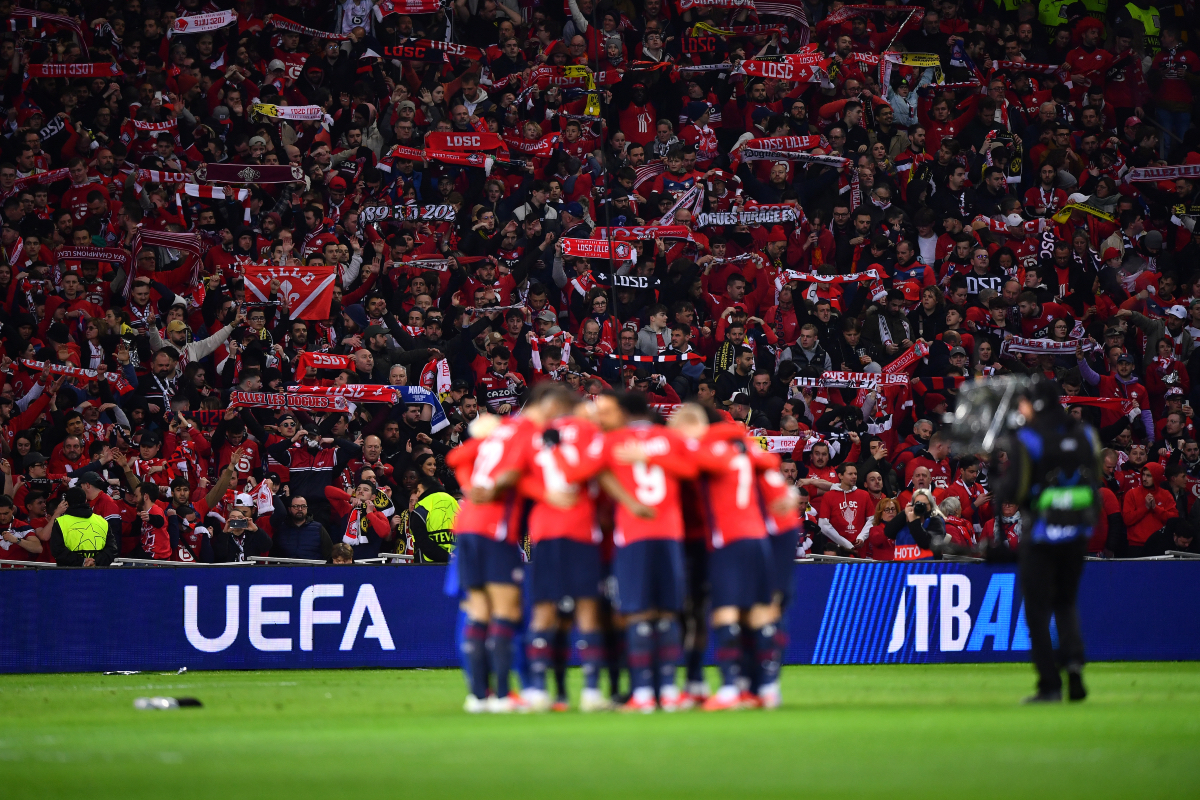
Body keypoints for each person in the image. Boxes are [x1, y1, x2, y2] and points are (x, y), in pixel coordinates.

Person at [992, 377, 1101, 703]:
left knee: (1037, 610)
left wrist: (1000, 485)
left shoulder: (1029, 438)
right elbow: (1096, 478)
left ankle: (1050, 685)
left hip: (1041, 535)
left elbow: (1017, 490)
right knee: (1066, 602)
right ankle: (1075, 664)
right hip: (1078, 532)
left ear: (1034, 404)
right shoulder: (1085, 434)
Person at [49, 487, 117, 567]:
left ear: (67, 503)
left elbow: (58, 551)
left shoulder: (60, 522)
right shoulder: (102, 521)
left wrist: (82, 562)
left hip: (69, 574)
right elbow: (112, 549)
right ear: (85, 501)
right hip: (99, 574)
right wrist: (95, 562)